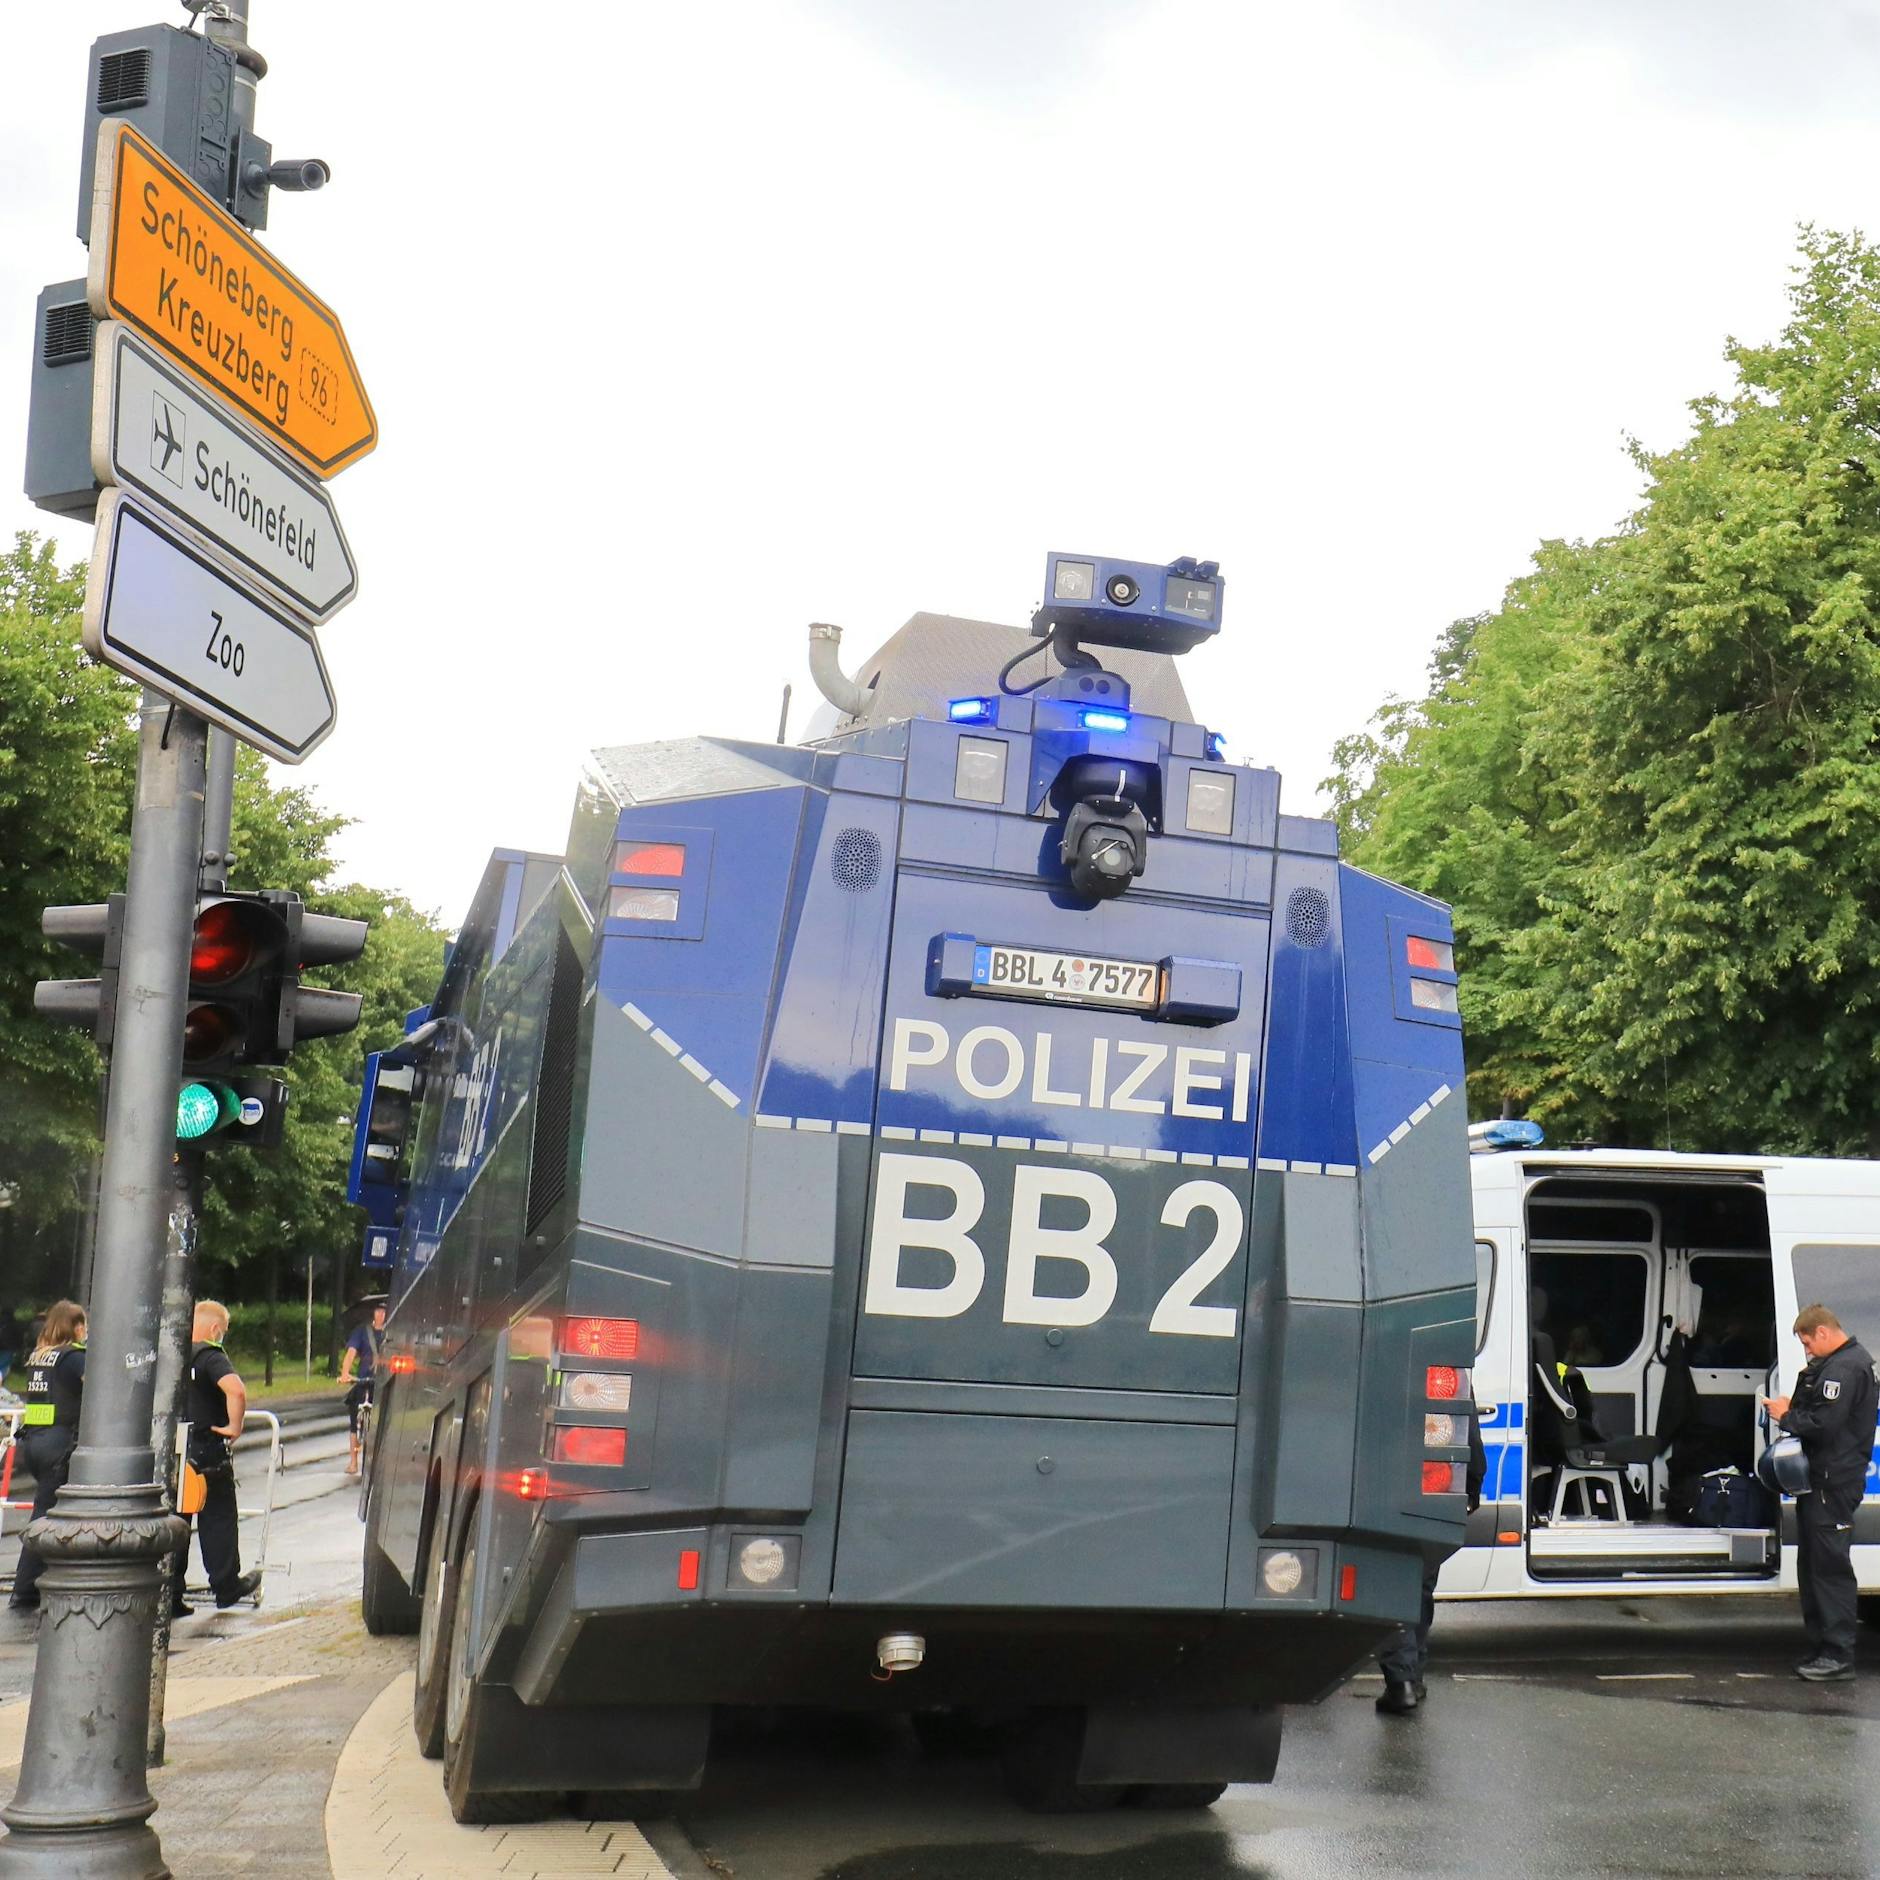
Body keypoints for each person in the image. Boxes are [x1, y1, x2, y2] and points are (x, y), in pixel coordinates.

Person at [1760, 1303, 1880, 1683]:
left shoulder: (1845, 1368)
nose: (1807, 1350)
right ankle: (1822, 1648)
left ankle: (1837, 1655)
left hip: (1834, 1484)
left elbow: (1824, 1425)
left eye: (1808, 1343)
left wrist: (1785, 1415)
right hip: (1820, 1482)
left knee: (1829, 1570)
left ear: (1824, 1332)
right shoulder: (1836, 1364)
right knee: (1812, 1568)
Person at [1376, 1396, 1488, 1715]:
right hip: (1437, 1487)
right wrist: (1473, 1484)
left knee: (1393, 1585)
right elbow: (1468, 1430)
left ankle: (1401, 1683)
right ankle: (1413, 1677)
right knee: (1421, 1584)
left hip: (1386, 1485)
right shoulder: (1441, 1364)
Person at [170, 1300, 260, 1616]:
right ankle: (226, 1586)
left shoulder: (174, 1355)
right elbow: (235, 1390)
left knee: (176, 1522)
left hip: (176, 1450)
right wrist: (234, 1426)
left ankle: (171, 1595)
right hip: (207, 1450)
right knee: (218, 1517)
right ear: (214, 1329)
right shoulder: (211, 1355)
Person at [8, 1301, 85, 1612]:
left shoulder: (39, 1357)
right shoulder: (72, 1358)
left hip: (36, 1441)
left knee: (47, 1512)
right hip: (60, 1443)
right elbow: (100, 1388)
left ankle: (33, 1585)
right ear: (75, 1326)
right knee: (49, 1517)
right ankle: (27, 1589)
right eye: (83, 1325)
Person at [338, 1304, 385, 1475]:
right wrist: (345, 1373)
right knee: (353, 1414)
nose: (382, 1314)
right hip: (363, 1379)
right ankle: (353, 1462)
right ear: (373, 1312)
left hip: (383, 1382)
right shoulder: (362, 1331)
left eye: (385, 1311)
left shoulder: (393, 1332)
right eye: (379, 1310)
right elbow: (351, 1353)